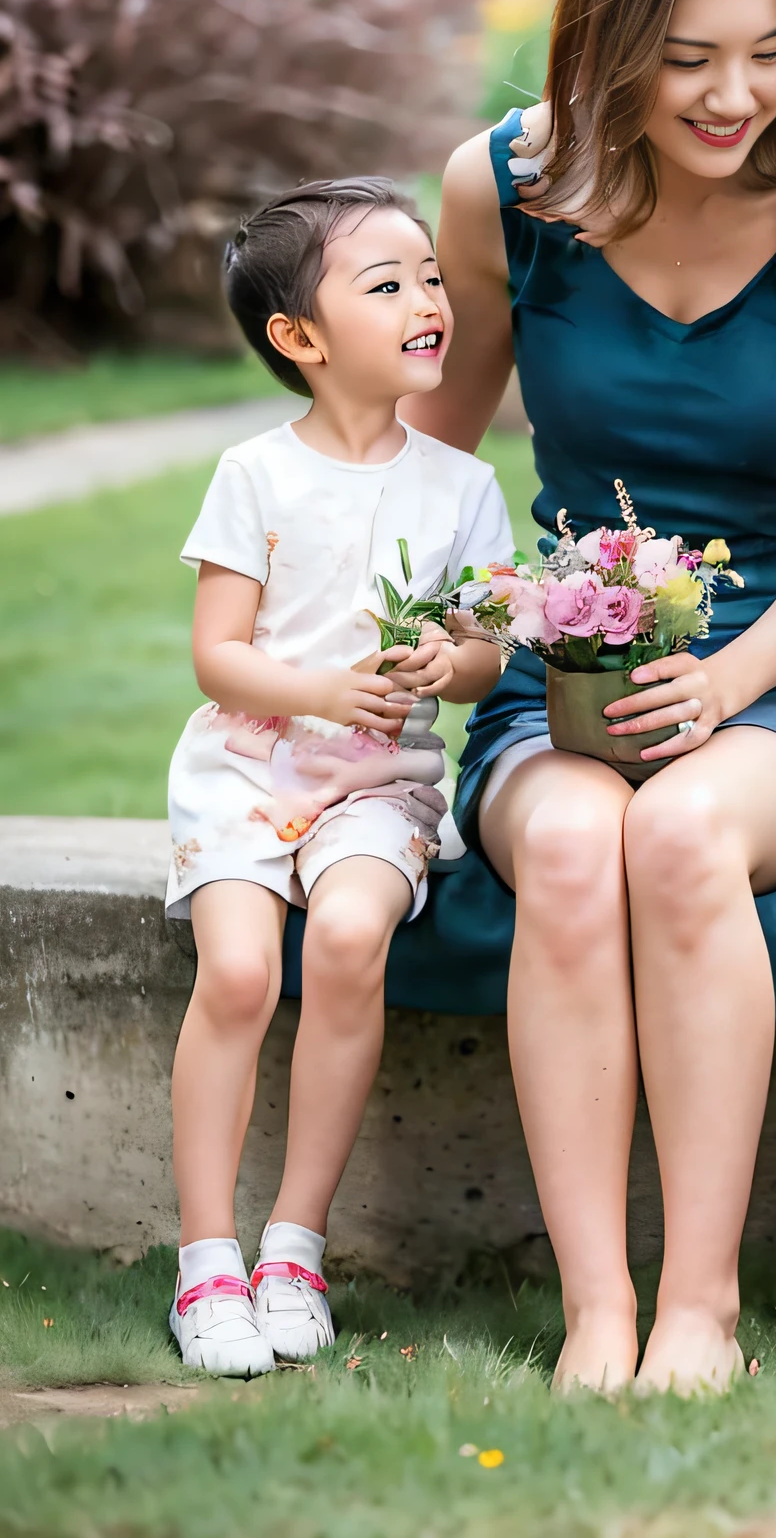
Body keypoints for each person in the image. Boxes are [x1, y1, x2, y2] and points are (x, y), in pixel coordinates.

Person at [406, 0, 776, 1394]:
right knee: (571, 841)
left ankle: (700, 1306)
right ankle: (597, 1315)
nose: (732, 97)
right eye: (689, 57)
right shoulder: (502, 191)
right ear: (609, 41)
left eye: (771, 53)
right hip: (559, 678)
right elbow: (431, 483)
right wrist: (459, 633)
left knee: (682, 835)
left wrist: (725, 688)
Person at [166, 179, 512, 1376]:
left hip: (380, 784)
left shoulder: (463, 487)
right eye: (387, 285)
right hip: (249, 768)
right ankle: (206, 1259)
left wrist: (447, 658)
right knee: (246, 969)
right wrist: (317, 692)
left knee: (351, 937)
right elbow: (218, 653)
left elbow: (480, 658)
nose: (428, 300)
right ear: (300, 339)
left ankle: (293, 1247)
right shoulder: (255, 475)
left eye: (429, 276)